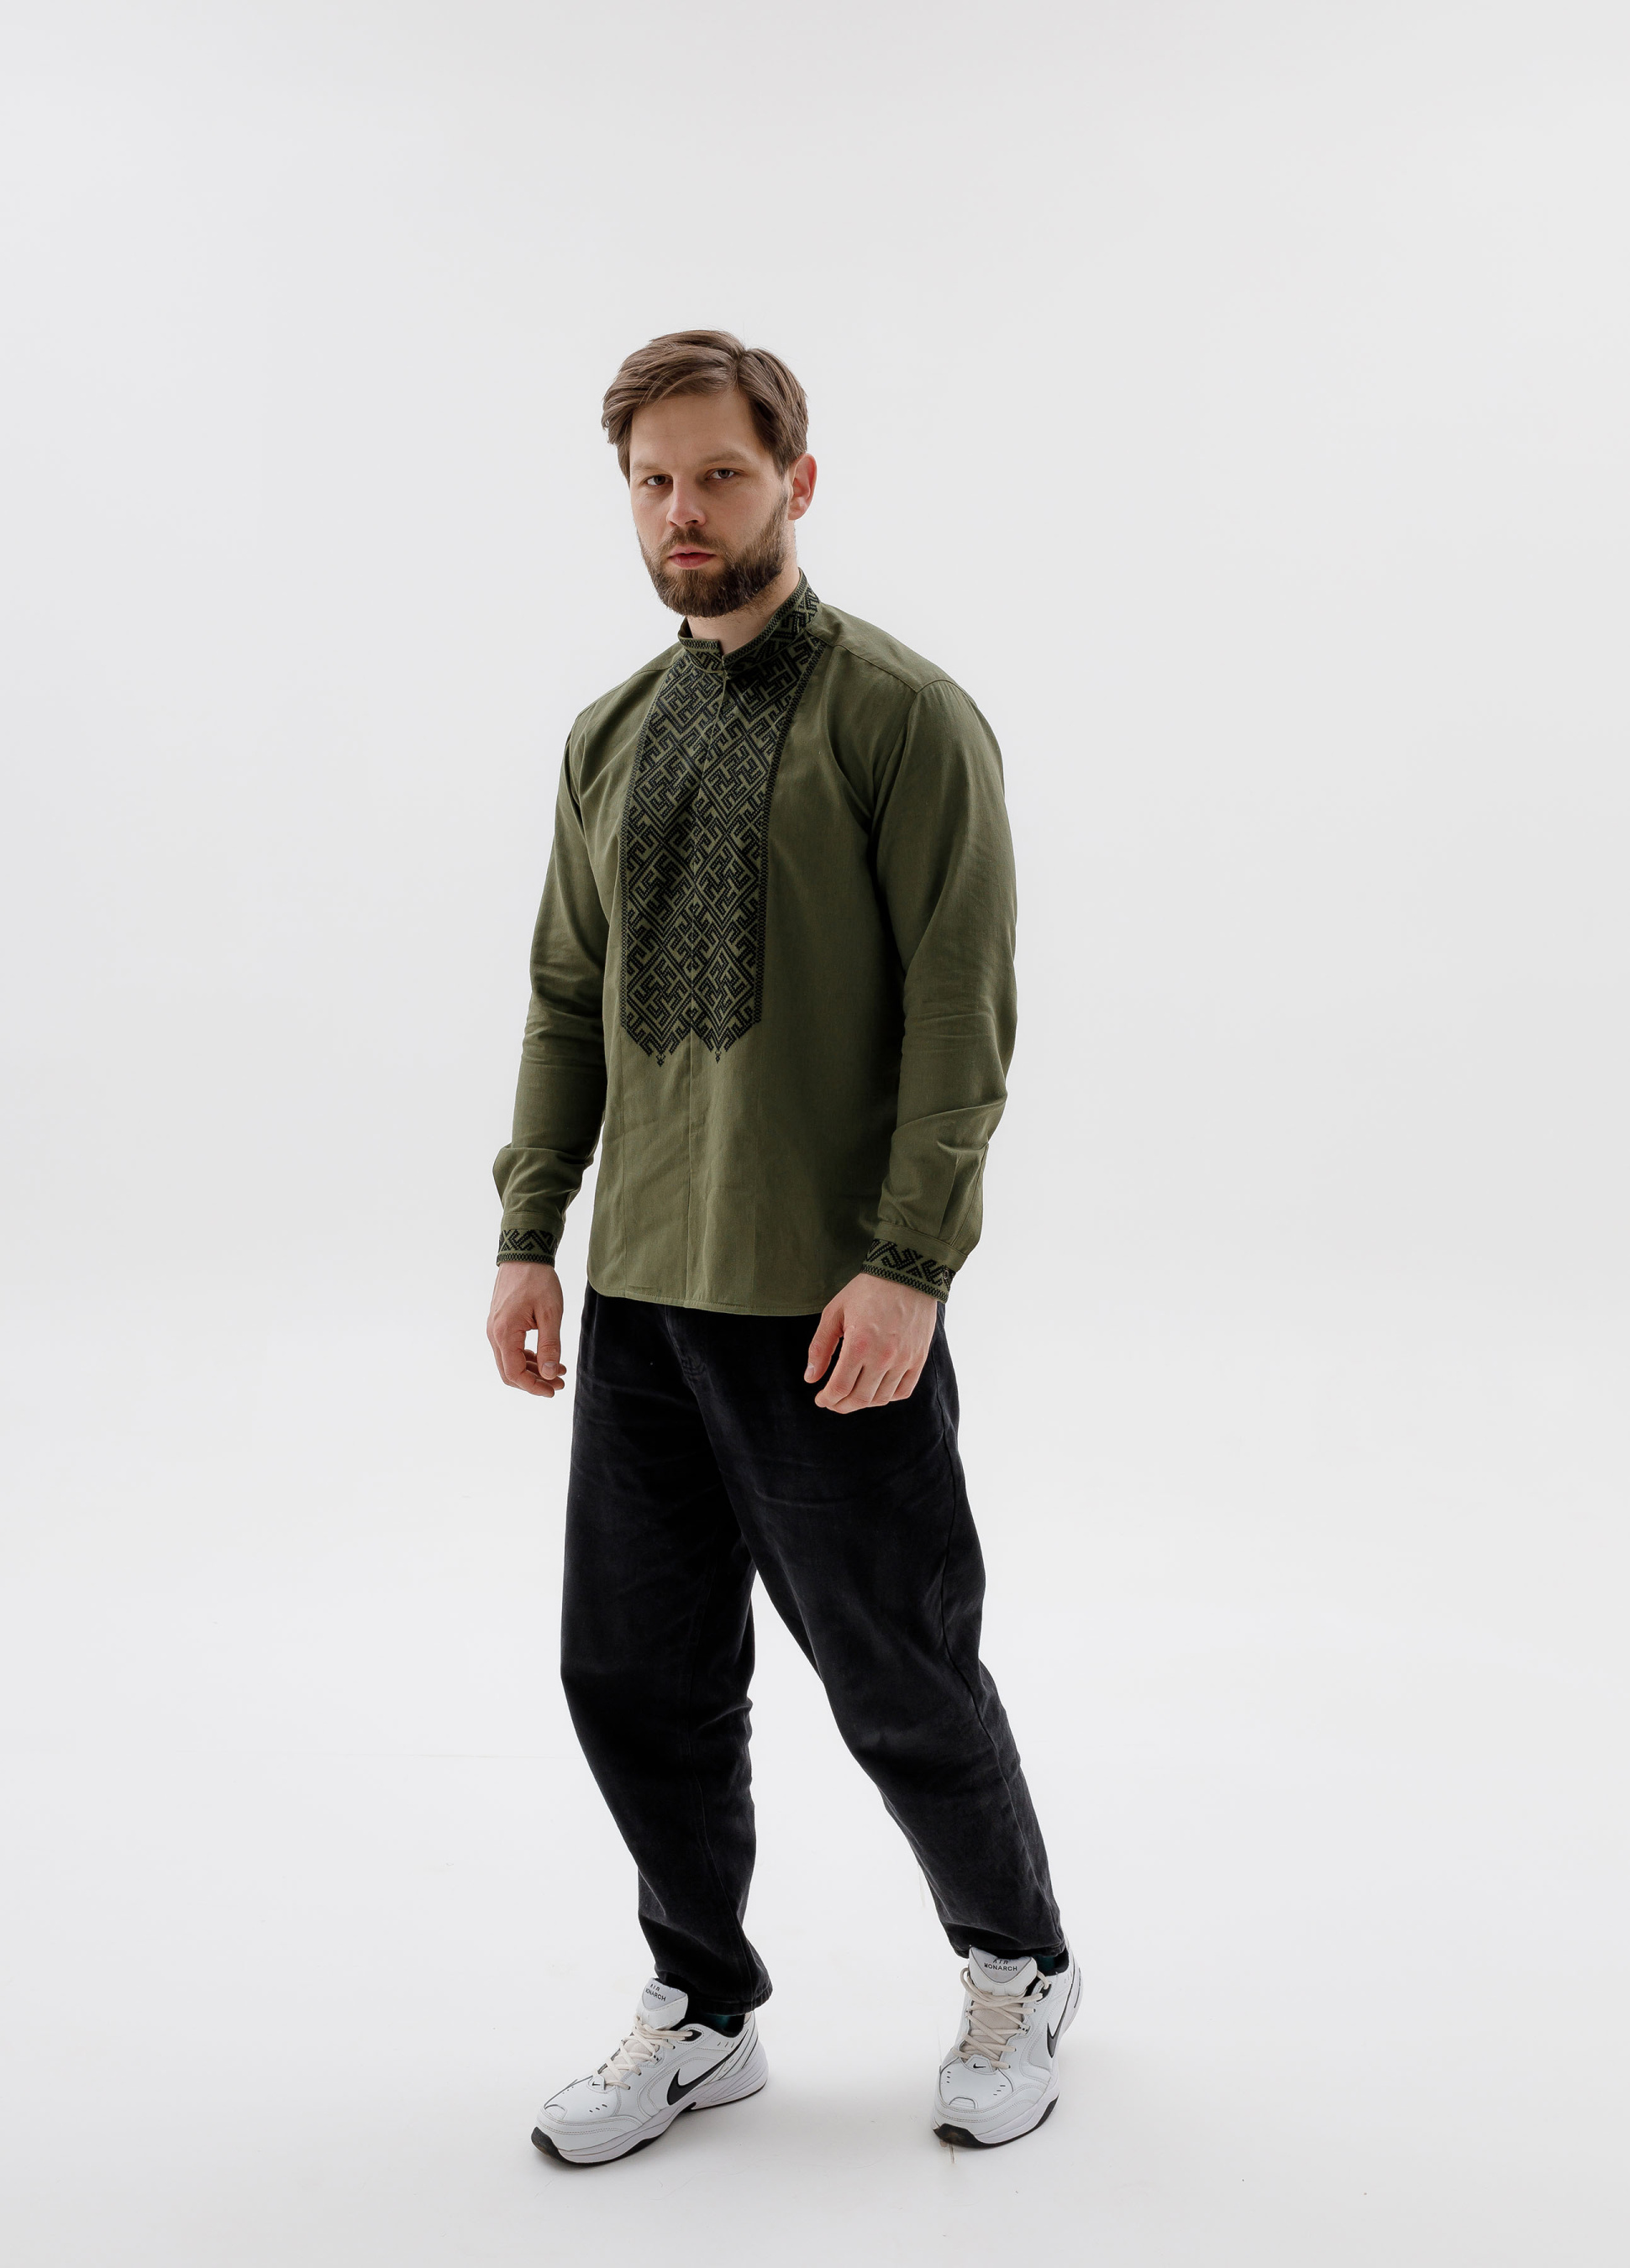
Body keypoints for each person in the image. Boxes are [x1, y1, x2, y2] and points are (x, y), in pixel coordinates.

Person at [487, 330, 1077, 2165]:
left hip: (828, 1301)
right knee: (632, 1675)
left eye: (720, 475)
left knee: (896, 1668)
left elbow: (961, 1018)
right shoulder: (609, 732)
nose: (683, 510)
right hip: (643, 1295)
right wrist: (530, 1228)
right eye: (652, 481)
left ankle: (1017, 1965)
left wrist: (909, 1263)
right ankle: (703, 2008)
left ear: (794, 484)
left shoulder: (902, 718)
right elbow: (566, 995)